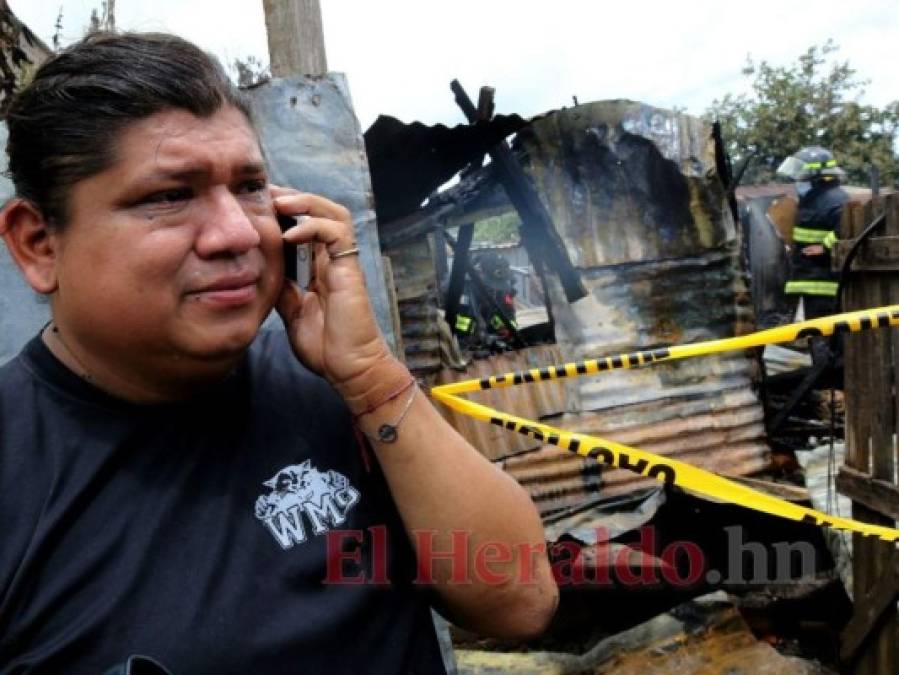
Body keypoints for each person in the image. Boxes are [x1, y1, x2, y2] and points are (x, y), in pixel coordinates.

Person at [0, 32, 557, 674]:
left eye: (249, 186)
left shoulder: (335, 385)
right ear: (39, 243)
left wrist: (372, 376)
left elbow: (520, 601)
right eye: (168, 195)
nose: (237, 232)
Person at [776, 146, 849, 320]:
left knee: (823, 338)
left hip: (824, 284)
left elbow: (848, 228)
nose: (797, 182)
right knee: (814, 337)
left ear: (817, 177)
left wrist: (825, 246)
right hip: (809, 280)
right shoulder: (814, 199)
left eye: (801, 177)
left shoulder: (834, 200)